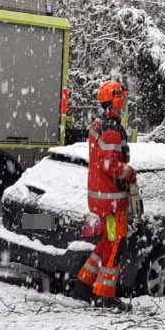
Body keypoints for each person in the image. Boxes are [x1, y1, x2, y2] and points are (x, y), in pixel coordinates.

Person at [71, 80, 136, 309]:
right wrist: (129, 173)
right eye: (123, 99)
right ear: (116, 100)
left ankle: (83, 285)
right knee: (116, 243)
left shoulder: (99, 125)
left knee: (107, 242)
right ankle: (105, 295)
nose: (125, 103)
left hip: (100, 198)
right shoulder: (111, 130)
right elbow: (111, 166)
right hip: (112, 202)